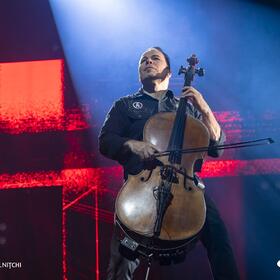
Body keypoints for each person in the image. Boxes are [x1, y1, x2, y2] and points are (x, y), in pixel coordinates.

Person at [99, 47, 240, 280]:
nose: (148, 62)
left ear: (170, 72)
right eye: (143, 60)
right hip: (141, 188)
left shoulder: (185, 108)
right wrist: (134, 145)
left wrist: (204, 108)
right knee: (120, 264)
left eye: (155, 58)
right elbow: (106, 141)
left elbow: (217, 147)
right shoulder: (124, 106)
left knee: (220, 239)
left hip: (186, 184)